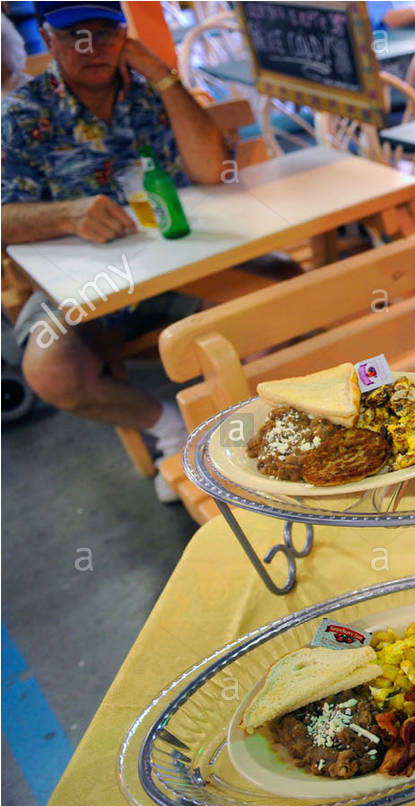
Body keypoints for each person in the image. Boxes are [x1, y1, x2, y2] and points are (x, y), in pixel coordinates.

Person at [0, 1, 227, 501]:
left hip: (180, 264)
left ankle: (235, 421)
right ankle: (171, 429)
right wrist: (65, 214)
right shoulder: (21, 113)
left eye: (105, 33)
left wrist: (163, 75)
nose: (92, 47)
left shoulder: (149, 95)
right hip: (76, 285)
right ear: (47, 38)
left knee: (267, 304)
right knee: (49, 369)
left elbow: (213, 172)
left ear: (125, 36)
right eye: (75, 34)